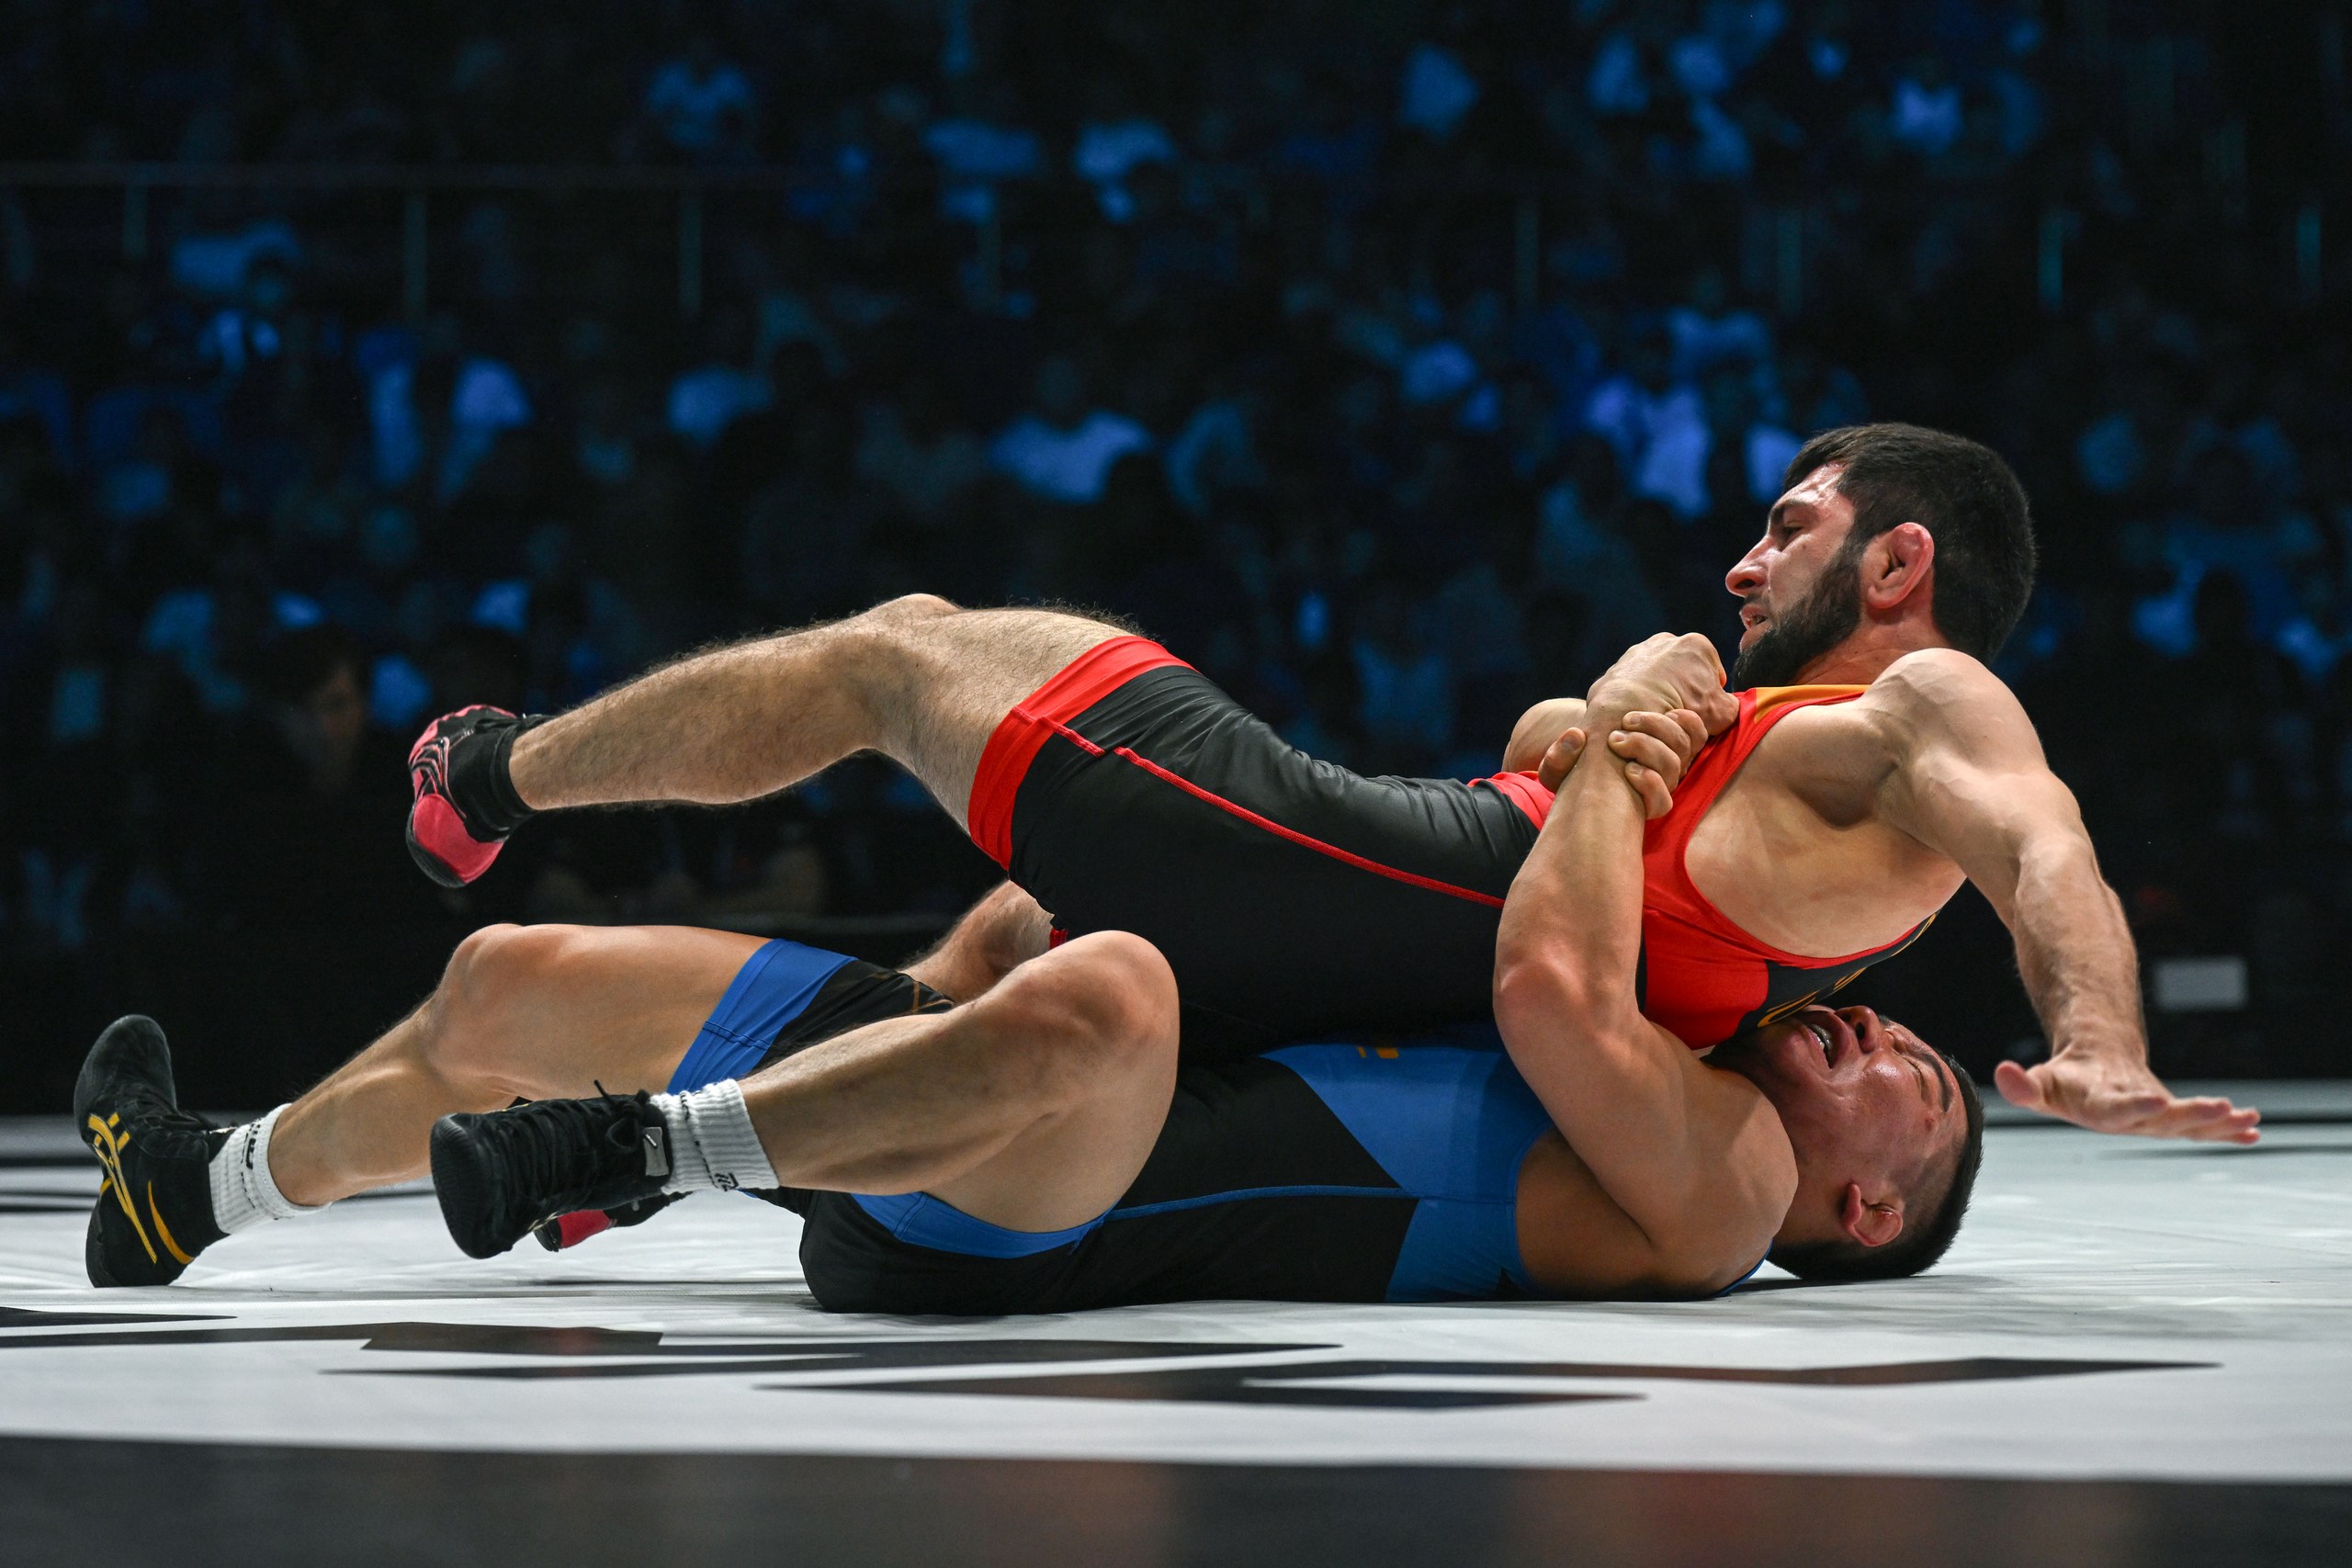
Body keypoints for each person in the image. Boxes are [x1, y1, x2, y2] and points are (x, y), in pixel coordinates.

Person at [401, 423, 2254, 1145]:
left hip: (1300, 860)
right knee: (968, 877)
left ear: (1901, 562)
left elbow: (2044, 841)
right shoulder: (1790, 773)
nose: (1741, 563)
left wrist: (2098, 1038)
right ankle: (647, 1139)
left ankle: (489, 774)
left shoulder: (1926, 703)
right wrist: (1577, 732)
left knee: (894, 657)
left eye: (1789, 528)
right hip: (1332, 923)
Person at [74, 637, 1980, 1302]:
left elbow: (1546, 976)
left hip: (1038, 1227)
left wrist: (1628, 730)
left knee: (1123, 987)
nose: (1878, 1028)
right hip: (972, 1114)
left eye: (1912, 1077)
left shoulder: (1732, 1186)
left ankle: (640, 1152)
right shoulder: (1686, 1044)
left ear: (1872, 1203)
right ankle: (194, 1185)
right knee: (503, 976)